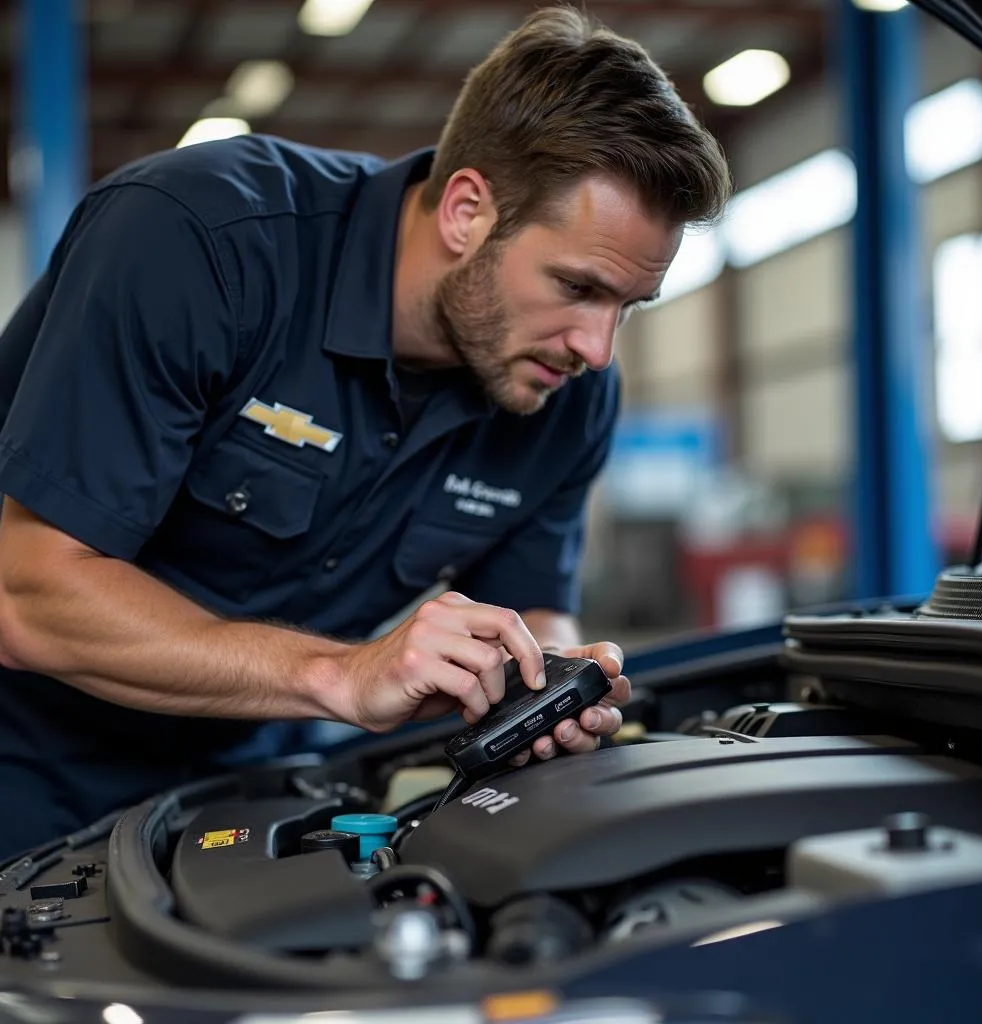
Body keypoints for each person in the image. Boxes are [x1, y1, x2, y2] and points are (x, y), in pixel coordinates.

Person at [0, 5, 732, 857]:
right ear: (466, 211)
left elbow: (534, 610)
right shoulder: (199, 243)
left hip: (250, 791)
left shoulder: (562, 392)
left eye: (628, 308)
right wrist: (342, 675)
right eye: (577, 287)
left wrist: (552, 688)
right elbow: (30, 596)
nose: (599, 351)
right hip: (25, 770)